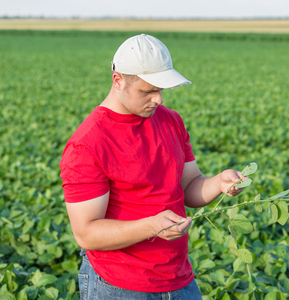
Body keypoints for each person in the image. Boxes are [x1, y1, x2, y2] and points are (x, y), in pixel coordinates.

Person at [59, 34, 247, 300]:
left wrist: (219, 183)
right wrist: (152, 226)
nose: (158, 99)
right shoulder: (88, 143)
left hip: (179, 278)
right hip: (118, 285)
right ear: (118, 81)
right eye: (148, 91)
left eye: (161, 90)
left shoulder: (171, 121)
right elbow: (86, 234)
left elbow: (190, 187)